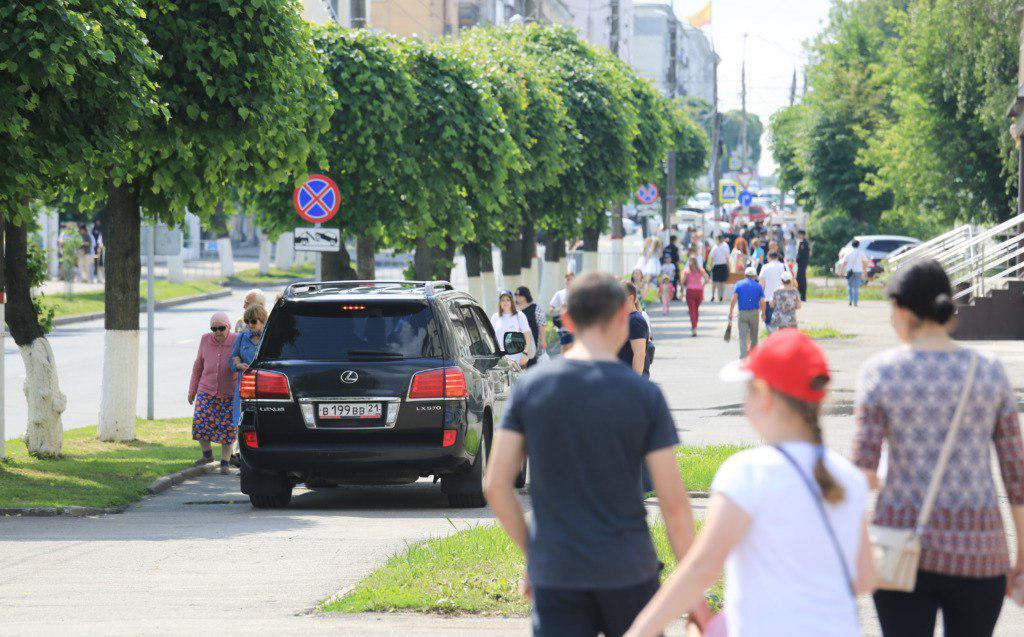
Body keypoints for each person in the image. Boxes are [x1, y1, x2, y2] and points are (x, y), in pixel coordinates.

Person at [484, 272, 697, 637]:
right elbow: (674, 505)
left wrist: (535, 554)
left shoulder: (531, 389)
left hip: (557, 572)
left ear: (566, 321)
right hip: (629, 570)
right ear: (621, 317)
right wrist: (694, 597)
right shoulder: (643, 395)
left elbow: (496, 485)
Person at [626, 330, 875, 637]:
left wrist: (638, 631)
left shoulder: (747, 473)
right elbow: (863, 576)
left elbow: (701, 569)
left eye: (747, 391)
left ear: (765, 395)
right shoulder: (848, 477)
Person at [852, 259, 1024, 637]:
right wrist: (1022, 557)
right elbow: (1017, 475)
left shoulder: (880, 372)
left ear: (900, 310)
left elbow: (861, 475)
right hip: (979, 554)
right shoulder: (989, 371)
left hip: (900, 550)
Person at [188, 312, 238, 474]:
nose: (217, 332)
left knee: (228, 428)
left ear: (228, 327)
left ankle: (225, 462)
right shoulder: (205, 339)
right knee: (201, 421)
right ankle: (207, 455)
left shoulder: (237, 340)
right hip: (206, 389)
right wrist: (192, 390)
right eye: (214, 328)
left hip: (229, 392)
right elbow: (198, 367)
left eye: (221, 328)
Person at [230, 304, 268, 428]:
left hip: (265, 386)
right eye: (247, 321)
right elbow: (233, 358)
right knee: (243, 424)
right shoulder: (241, 337)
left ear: (262, 320)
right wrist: (238, 365)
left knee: (263, 423)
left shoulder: (269, 337)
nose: (249, 324)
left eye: (253, 321)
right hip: (245, 388)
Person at [728, 267, 766, 359]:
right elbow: (762, 302)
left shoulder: (739, 284)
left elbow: (733, 299)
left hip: (742, 313)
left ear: (745, 275)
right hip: (754, 313)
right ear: (755, 276)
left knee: (743, 335)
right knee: (754, 336)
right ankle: (753, 357)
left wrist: (731, 311)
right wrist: (763, 313)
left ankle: (743, 356)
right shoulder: (758, 286)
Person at [492, 290, 533, 367]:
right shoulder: (495, 317)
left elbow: (527, 335)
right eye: (503, 300)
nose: (505, 302)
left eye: (508, 300)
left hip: (518, 360)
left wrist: (525, 353)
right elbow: (492, 338)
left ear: (512, 302)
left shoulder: (519, 315)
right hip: (501, 361)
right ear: (500, 302)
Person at [618, 282, 651, 377]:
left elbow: (639, 354)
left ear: (631, 298)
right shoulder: (627, 319)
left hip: (630, 381)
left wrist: (635, 384)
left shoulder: (635, 320)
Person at [515, 286, 546, 368]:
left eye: (520, 294)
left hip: (532, 341)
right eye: (516, 294)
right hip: (517, 342)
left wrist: (543, 340)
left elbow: (541, 325)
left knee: (531, 363)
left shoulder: (535, 307)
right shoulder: (514, 309)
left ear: (526, 295)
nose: (517, 296)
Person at [681, 257, 710, 337]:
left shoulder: (686, 271)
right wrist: (702, 286)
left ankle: (694, 327)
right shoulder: (700, 270)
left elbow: (682, 281)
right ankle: (695, 326)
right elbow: (707, 280)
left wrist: (681, 291)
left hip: (690, 291)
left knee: (691, 310)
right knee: (696, 310)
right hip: (699, 291)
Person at [549, 271, 576, 352]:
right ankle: (564, 363)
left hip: (577, 324)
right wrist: (561, 309)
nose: (569, 281)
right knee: (565, 346)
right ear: (565, 280)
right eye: (567, 279)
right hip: (564, 325)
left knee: (573, 346)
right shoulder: (559, 294)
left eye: (571, 279)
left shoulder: (579, 292)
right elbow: (551, 310)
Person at [759, 252, 787, 327]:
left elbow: (761, 284)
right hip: (782, 298)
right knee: (781, 323)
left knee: (768, 322)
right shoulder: (784, 266)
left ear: (768, 257)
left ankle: (770, 337)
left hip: (768, 298)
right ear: (777, 257)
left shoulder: (765, 267)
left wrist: (760, 298)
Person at [841, 239, 869, 307]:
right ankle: (855, 302)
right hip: (858, 271)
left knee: (849, 286)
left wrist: (841, 271)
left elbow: (844, 262)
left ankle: (850, 300)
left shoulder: (848, 252)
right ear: (858, 245)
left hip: (849, 271)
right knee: (856, 287)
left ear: (852, 245)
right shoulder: (861, 252)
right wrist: (864, 270)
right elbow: (865, 262)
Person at [708, 235, 730, 302]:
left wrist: (710, 267)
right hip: (722, 265)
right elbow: (727, 258)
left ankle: (715, 296)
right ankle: (720, 296)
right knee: (721, 282)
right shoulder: (724, 246)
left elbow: (711, 258)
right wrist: (729, 267)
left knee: (716, 282)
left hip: (717, 266)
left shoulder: (715, 247)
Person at [796, 230, 811, 302]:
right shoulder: (804, 243)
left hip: (802, 264)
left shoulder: (804, 243)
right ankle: (801, 295)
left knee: (801, 279)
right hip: (802, 264)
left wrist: (797, 259)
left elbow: (802, 254)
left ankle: (802, 295)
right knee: (800, 279)